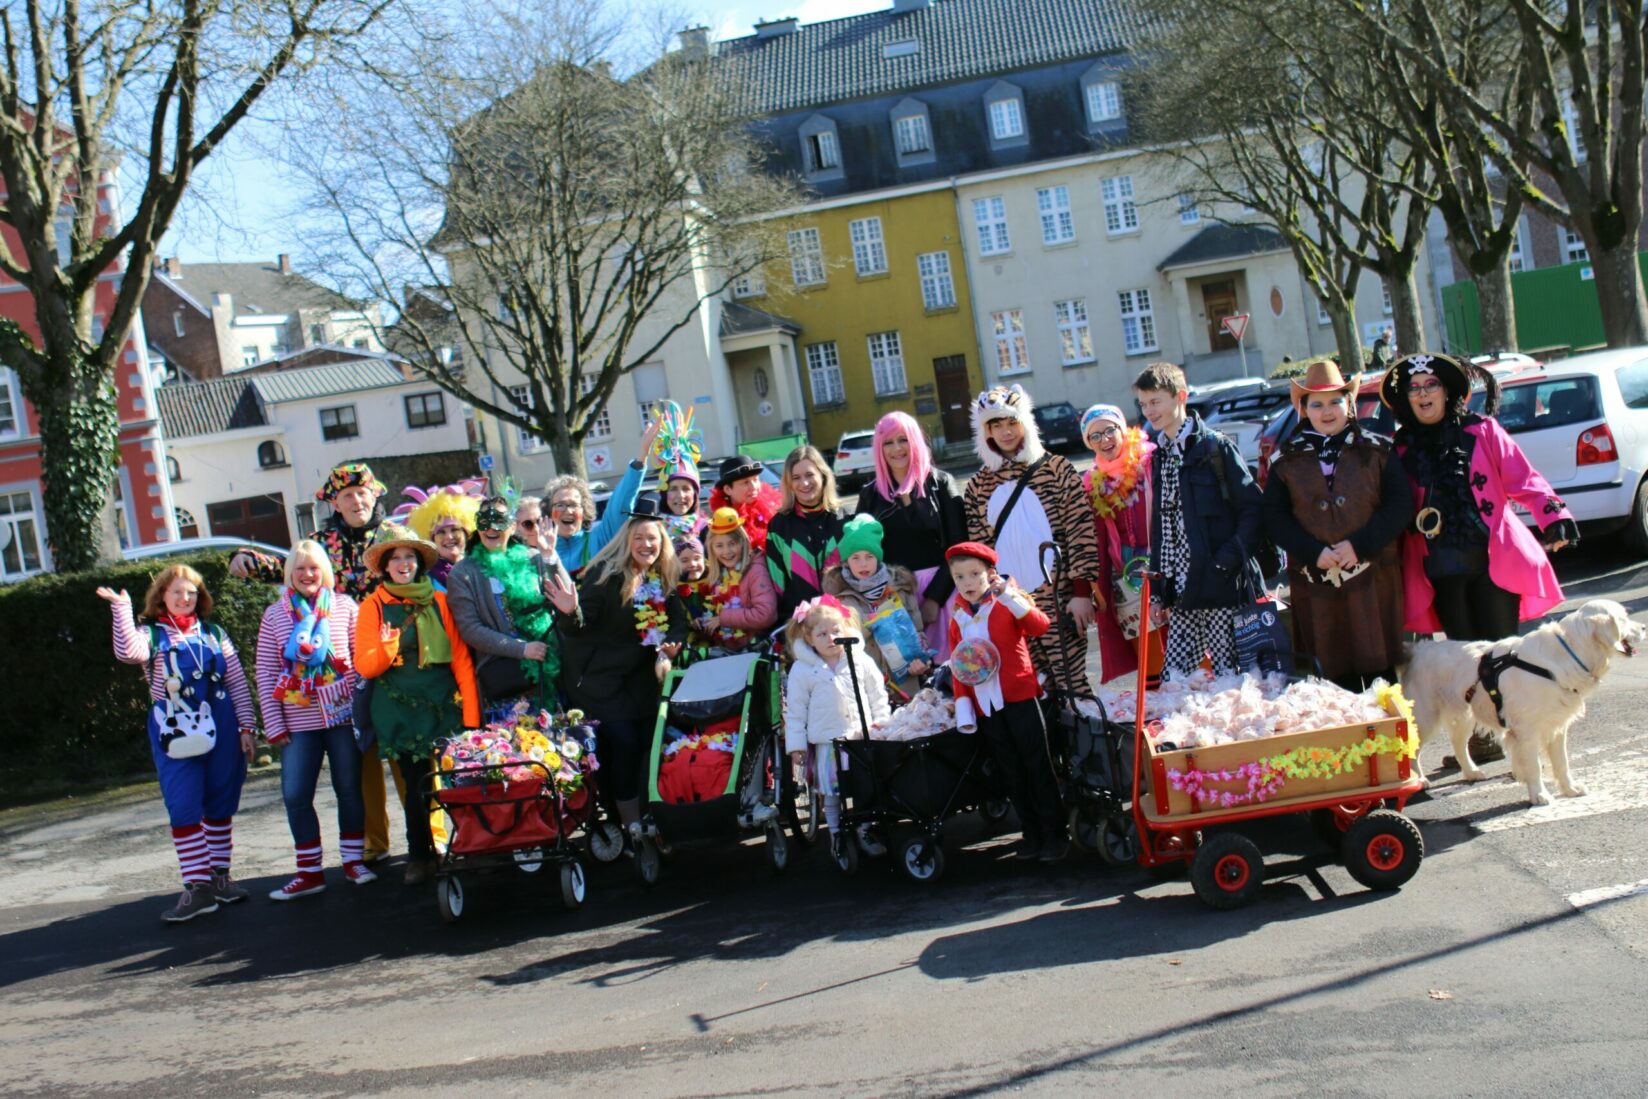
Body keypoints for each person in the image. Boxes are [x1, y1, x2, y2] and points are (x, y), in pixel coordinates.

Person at [1382, 352, 1578, 766]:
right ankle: (1480, 737)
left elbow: (1524, 478)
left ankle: (1518, 737)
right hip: (1440, 570)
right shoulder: (1398, 451)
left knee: (1505, 654)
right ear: (1405, 399)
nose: (1423, 394)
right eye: (1414, 389)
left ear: (1447, 390)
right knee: (1464, 661)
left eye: (1430, 385)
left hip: (1494, 563)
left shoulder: (1482, 431)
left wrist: (1553, 514)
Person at [228, 461, 396, 863]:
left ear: (375, 496)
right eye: (347, 496)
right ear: (335, 503)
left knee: (408, 754)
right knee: (363, 764)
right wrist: (244, 556)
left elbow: (427, 567)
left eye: (363, 493)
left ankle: (430, 841)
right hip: (345, 677)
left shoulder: (394, 538)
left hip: (395, 655)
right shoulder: (323, 543)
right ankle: (372, 845)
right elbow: (296, 567)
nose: (357, 501)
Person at [100, 566, 259, 922]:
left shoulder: (215, 634)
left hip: (221, 723)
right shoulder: (152, 635)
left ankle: (219, 879)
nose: (185, 599)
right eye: (177, 593)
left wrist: (247, 727)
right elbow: (128, 652)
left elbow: (236, 684)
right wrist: (121, 609)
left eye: (191, 593)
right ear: (162, 597)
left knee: (221, 801)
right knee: (184, 804)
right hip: (174, 729)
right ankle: (197, 887)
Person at [1262, 361, 1412, 690]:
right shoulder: (1284, 461)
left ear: (1350, 404)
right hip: (1314, 585)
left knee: (1381, 682)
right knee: (1333, 683)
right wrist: (1313, 551)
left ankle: (1390, 742)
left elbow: (1400, 505)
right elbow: (1274, 517)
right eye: (1316, 403)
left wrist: (1359, 545)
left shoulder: (1378, 450)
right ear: (1304, 409)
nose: (1327, 411)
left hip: (1373, 580)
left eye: (1335, 401)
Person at [354, 523, 481, 885]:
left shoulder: (440, 601)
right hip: (398, 711)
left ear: (420, 562)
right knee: (415, 787)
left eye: (410, 556)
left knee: (456, 782)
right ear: (384, 566)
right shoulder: (372, 606)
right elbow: (366, 665)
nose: (404, 563)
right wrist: (389, 645)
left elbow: (461, 659)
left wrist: (471, 716)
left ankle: (465, 845)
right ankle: (420, 855)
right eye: (396, 558)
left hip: (444, 704)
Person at [560, 499, 690, 842]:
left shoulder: (662, 579)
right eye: (640, 538)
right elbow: (578, 626)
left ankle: (649, 817)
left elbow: (679, 622)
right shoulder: (605, 575)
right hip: (599, 681)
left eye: (654, 539)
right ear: (627, 541)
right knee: (625, 744)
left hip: (641, 681)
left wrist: (669, 646)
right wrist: (569, 612)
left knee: (649, 743)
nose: (647, 545)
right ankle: (631, 827)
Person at [962, 385, 1102, 699]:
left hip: (1057, 598)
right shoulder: (977, 486)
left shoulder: (1057, 469)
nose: (1006, 431)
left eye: (1011, 422)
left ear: (1025, 422)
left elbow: (1081, 531)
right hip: (1009, 604)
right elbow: (980, 552)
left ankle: (1086, 747)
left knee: (1073, 688)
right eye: (996, 425)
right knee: (1033, 691)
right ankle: (1051, 749)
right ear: (986, 431)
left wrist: (1081, 592)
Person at [256, 541, 372, 900]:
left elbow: (360, 661)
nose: (308, 575)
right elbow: (265, 671)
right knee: (295, 794)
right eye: (300, 568)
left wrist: (357, 707)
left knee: (350, 789)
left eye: (315, 568)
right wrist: (274, 724)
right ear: (290, 572)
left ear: (326, 571)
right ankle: (309, 872)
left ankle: (353, 862)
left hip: (340, 718)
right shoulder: (275, 615)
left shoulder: (345, 607)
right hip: (297, 721)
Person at [1134, 363, 1264, 679]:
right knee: (1175, 682)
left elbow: (1254, 511)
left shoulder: (1215, 447)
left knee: (1231, 682)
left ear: (1179, 396)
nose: (1148, 411)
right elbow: (1162, 528)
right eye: (1143, 404)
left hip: (1220, 587)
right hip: (1182, 593)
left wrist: (1225, 563)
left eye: (1155, 401)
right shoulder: (1159, 455)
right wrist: (1159, 590)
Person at [944, 542, 1066, 862]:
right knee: (1010, 771)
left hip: (1020, 697)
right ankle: (1031, 832)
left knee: (1037, 766)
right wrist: (963, 706)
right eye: (959, 577)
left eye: (974, 574)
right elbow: (959, 666)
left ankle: (1055, 833)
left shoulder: (1007, 600)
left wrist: (1009, 596)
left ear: (990, 574)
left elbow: (1039, 625)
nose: (967, 583)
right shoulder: (957, 615)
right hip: (986, 705)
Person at [783, 596, 891, 861]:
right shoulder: (802, 670)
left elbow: (877, 694)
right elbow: (795, 711)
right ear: (809, 639)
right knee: (831, 792)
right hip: (827, 742)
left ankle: (865, 828)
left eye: (836, 631)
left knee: (866, 786)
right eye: (822, 634)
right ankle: (835, 833)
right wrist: (796, 746)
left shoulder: (859, 659)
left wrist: (883, 726)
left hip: (859, 736)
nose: (831, 638)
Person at [447, 496, 577, 714]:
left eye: (499, 520)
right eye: (485, 521)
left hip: (553, 669)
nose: (491, 528)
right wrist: (522, 649)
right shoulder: (463, 573)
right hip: (508, 682)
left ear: (513, 525)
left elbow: (569, 602)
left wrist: (550, 556)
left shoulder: (533, 557)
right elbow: (470, 629)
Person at [854, 411, 966, 659]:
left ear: (915, 440)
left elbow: (959, 548)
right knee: (912, 679)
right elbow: (863, 556)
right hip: (895, 601)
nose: (897, 449)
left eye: (903, 439)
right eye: (888, 442)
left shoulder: (941, 483)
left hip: (946, 594)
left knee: (955, 673)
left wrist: (934, 599)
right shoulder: (869, 496)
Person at [1080, 403, 1165, 687]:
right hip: (1126, 579)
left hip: (1164, 564)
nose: (1105, 439)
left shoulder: (1152, 463)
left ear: (1122, 429)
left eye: (1109, 430)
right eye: (1095, 436)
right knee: (1149, 659)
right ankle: (1161, 716)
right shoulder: (1092, 484)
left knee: (1185, 647)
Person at [823, 513, 932, 696]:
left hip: (907, 685)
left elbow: (919, 632)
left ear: (878, 557)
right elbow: (838, 648)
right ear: (846, 561)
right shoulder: (840, 600)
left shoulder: (899, 589)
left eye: (869, 556)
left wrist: (921, 660)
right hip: (868, 691)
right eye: (855, 557)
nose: (863, 564)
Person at [546, 416, 664, 578]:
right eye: (560, 505)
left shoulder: (600, 538)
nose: (568, 510)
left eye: (574, 505)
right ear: (550, 512)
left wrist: (641, 456)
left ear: (584, 511)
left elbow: (620, 503)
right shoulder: (541, 549)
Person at [766, 444, 848, 623]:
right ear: (789, 483)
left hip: (843, 620)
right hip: (801, 622)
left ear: (823, 475)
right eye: (796, 477)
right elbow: (777, 584)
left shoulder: (844, 518)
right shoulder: (778, 526)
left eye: (810, 475)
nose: (804, 483)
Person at [699, 507, 779, 652]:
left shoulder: (756, 571)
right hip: (728, 650)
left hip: (753, 650)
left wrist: (723, 619)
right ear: (711, 548)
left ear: (742, 543)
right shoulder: (718, 573)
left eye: (732, 544)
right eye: (719, 546)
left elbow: (766, 615)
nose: (726, 551)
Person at [398, 480, 484, 588]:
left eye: (455, 529)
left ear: (466, 533)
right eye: (441, 532)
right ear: (432, 540)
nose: (449, 537)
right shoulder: (426, 579)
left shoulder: (482, 565)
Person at [709, 455, 784, 554]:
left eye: (755, 480)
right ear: (728, 489)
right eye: (745, 482)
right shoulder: (721, 524)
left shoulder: (773, 510)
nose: (753, 487)